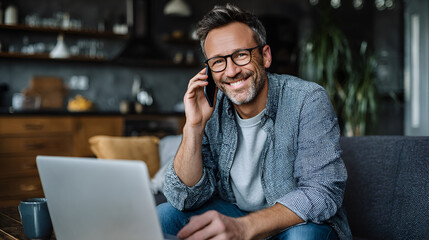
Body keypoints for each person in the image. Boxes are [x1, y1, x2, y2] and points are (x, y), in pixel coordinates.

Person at [158, 4, 352, 240]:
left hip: (293, 222)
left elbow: (322, 192)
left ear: (265, 56)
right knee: (164, 216)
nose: (231, 71)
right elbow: (184, 197)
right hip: (235, 213)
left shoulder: (307, 100)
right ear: (208, 70)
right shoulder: (212, 107)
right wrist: (194, 126)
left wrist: (245, 227)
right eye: (218, 61)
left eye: (241, 55)